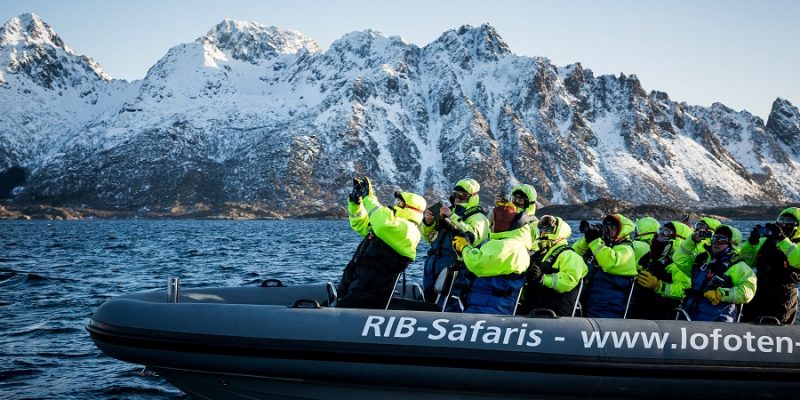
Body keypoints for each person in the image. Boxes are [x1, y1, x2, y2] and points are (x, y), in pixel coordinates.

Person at [336, 176, 427, 309]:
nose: (396, 204)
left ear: (411, 209)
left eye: (400, 203)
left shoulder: (408, 230)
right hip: (358, 285)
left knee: (343, 307)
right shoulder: (389, 226)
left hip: (371, 294)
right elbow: (360, 224)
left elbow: (381, 224)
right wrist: (356, 203)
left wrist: (369, 197)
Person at [452, 201, 532, 315]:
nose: (490, 226)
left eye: (492, 222)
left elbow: (479, 264)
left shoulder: (508, 245)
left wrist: (464, 247)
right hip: (485, 304)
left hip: (490, 308)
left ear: (501, 224)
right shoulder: (513, 244)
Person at [420, 178, 489, 303]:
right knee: (428, 300)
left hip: (455, 269)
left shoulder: (479, 218)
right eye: (455, 195)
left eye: (462, 196)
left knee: (449, 302)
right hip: (433, 264)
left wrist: (452, 217)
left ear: (472, 197)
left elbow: (471, 237)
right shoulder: (447, 212)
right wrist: (428, 222)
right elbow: (428, 238)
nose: (457, 198)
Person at [675, 225, 756, 322]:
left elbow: (747, 291)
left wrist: (721, 294)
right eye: (714, 238)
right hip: (688, 314)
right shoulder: (701, 260)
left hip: (717, 321)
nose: (716, 242)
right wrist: (693, 240)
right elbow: (679, 258)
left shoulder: (739, 267)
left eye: (722, 239)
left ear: (732, 243)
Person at [517, 215, 588, 316]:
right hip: (532, 308)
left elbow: (569, 280)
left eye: (548, 229)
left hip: (555, 312)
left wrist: (543, 279)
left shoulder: (569, 255)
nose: (544, 232)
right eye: (541, 229)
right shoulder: (538, 255)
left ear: (558, 232)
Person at [740, 207, 800, 324]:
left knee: (777, 328)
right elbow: (747, 261)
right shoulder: (766, 241)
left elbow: (798, 261)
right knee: (747, 323)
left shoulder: (796, 244)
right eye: (781, 221)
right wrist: (751, 243)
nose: (783, 225)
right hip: (759, 288)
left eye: (788, 223)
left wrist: (782, 240)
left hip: (783, 293)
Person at [573, 214, 638, 318]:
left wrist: (594, 242)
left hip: (608, 305)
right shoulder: (602, 245)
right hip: (590, 299)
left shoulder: (626, 249)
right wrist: (587, 239)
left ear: (622, 231)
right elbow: (575, 253)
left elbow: (610, 264)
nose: (609, 230)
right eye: (606, 227)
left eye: (613, 228)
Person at [628, 221, 693, 320]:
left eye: (667, 232)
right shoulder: (650, 256)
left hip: (661, 315)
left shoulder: (679, 264)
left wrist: (659, 285)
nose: (660, 234)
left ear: (680, 239)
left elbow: (683, 291)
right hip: (638, 308)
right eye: (660, 230)